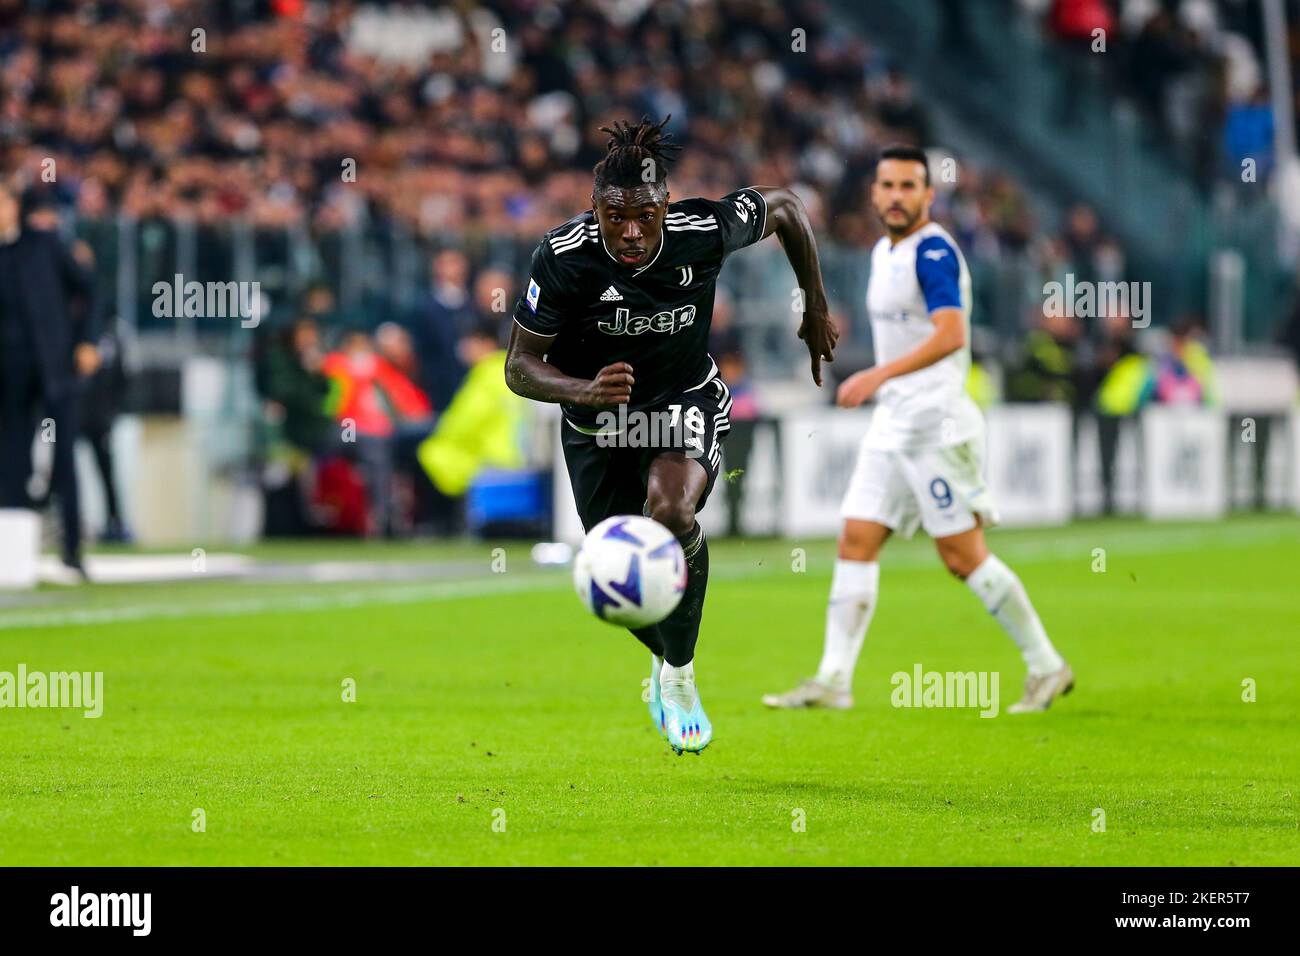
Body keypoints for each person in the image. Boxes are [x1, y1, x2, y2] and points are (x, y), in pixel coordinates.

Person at [505, 116, 837, 754]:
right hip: (596, 422)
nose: (631, 233)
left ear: (666, 205)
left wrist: (814, 305)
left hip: (681, 400)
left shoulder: (703, 230)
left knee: (672, 510)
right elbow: (519, 366)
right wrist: (583, 390)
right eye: (614, 217)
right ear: (594, 208)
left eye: (646, 216)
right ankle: (663, 658)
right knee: (614, 574)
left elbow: (789, 207)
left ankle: (680, 677)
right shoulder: (562, 256)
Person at [764, 145, 1074, 714]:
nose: (897, 196)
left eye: (910, 187)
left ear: (929, 196)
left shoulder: (932, 251)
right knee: (856, 538)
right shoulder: (885, 250)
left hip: (935, 423)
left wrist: (877, 374)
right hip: (895, 422)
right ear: (874, 193)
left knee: (961, 556)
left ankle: (1047, 666)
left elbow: (952, 334)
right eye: (888, 186)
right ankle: (833, 680)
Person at [0, 182, 100, 580]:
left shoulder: (43, 244)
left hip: (54, 368)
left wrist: (88, 342)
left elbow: (90, 289)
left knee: (63, 460)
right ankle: (15, 553)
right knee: (11, 463)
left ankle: (72, 551)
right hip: (8, 376)